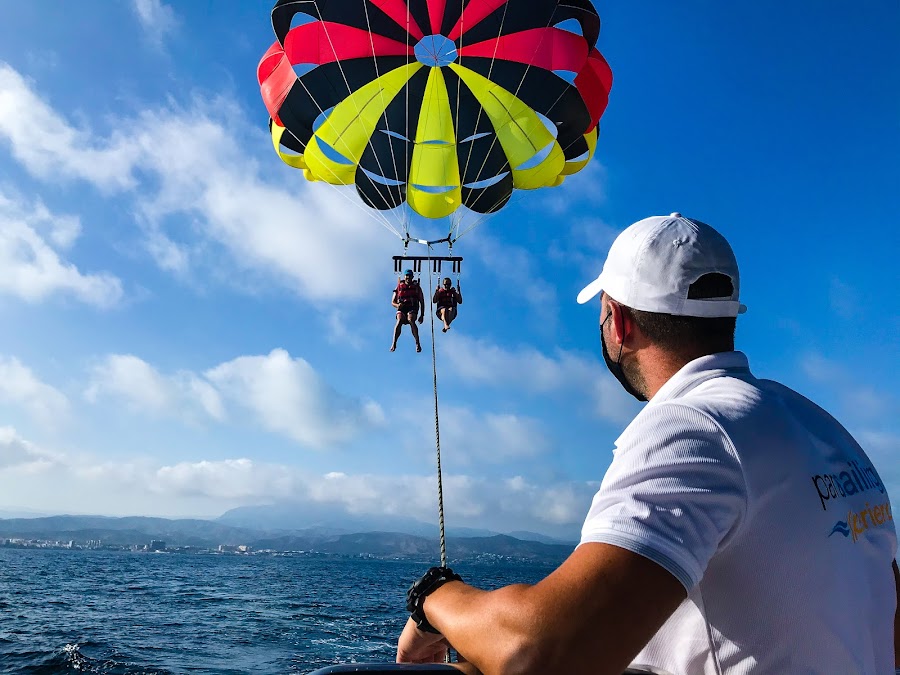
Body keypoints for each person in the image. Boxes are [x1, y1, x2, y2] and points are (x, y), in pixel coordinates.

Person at [396, 213, 898, 674]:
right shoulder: (818, 424)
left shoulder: (693, 427)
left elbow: (540, 653)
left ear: (619, 322)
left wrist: (435, 600)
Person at [391, 269, 424, 353]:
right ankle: (394, 343)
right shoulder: (399, 286)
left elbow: (421, 301)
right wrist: (398, 305)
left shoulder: (416, 287)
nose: (408, 277)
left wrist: (422, 315)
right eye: (407, 275)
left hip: (412, 307)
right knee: (399, 320)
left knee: (411, 319)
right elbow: (393, 302)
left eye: (410, 276)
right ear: (404, 276)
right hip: (402, 307)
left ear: (412, 277)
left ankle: (417, 343)